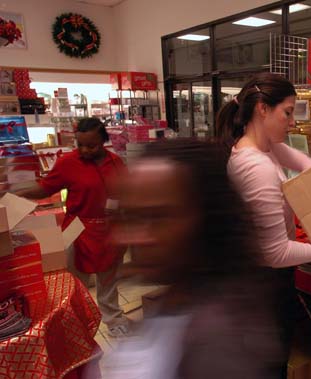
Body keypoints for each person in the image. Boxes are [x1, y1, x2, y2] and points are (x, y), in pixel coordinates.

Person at [101, 139, 285, 378]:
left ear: (206, 219)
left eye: (157, 217)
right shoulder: (180, 301)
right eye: (131, 217)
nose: (134, 238)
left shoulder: (218, 342)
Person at [219, 73, 311, 367]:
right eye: (288, 112)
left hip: (261, 278)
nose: (293, 122)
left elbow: (304, 162)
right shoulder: (256, 167)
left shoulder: (262, 147)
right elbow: (275, 252)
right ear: (262, 108)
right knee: (270, 363)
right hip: (264, 282)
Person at [16, 117, 129, 337]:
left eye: (92, 145)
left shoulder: (116, 162)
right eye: (80, 145)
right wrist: (20, 193)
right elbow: (46, 188)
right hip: (77, 228)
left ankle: (113, 320)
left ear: (104, 141)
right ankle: (76, 325)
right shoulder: (68, 162)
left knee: (109, 280)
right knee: (74, 283)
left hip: (110, 229)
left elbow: (126, 191)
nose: (85, 150)